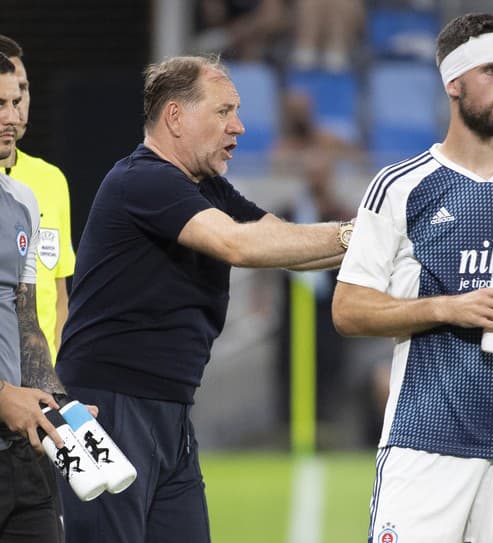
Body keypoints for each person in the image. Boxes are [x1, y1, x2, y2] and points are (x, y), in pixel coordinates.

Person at [53, 54, 353, 543]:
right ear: (175, 116)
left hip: (169, 408)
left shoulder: (207, 186)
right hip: (105, 408)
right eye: (223, 111)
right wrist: (358, 234)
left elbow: (282, 244)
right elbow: (241, 245)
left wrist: (376, 242)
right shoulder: (142, 178)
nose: (238, 126)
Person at [332, 13, 493, 543]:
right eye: (492, 69)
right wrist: (447, 307)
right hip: (424, 439)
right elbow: (348, 309)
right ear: (454, 83)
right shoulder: (402, 186)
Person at [0, 52, 67, 543]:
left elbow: (27, 318)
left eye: (15, 100)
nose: (10, 115)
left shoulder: (23, 199)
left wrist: (55, 404)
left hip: (19, 444)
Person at [0, 35, 76, 363]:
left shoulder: (51, 180)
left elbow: (59, 294)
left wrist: (59, 374)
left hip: (41, 383)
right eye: (3, 100)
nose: (16, 110)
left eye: (23, 91)